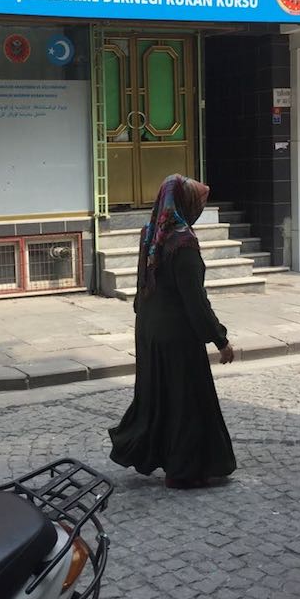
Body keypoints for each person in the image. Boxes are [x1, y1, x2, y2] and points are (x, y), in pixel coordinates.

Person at [108, 173, 236, 490]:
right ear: (185, 204)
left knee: (159, 397)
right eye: (197, 203)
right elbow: (195, 301)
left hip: (150, 331)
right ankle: (183, 471)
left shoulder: (150, 233)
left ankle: (154, 452)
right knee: (186, 403)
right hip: (177, 337)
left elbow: (142, 286)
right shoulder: (183, 243)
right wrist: (220, 339)